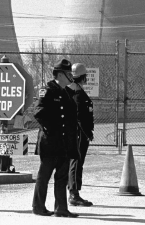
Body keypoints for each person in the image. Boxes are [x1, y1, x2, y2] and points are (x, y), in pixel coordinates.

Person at [31, 59, 80, 218]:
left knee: (62, 176)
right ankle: (38, 206)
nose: (70, 77)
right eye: (68, 74)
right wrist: (52, 130)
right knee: (44, 175)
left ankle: (61, 208)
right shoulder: (48, 90)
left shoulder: (66, 92)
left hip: (64, 143)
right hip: (50, 142)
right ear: (60, 74)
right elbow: (39, 112)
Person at [67, 63, 94, 207]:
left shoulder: (72, 90)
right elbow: (79, 117)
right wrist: (87, 132)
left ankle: (73, 191)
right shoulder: (77, 93)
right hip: (78, 133)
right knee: (76, 162)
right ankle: (74, 194)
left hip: (76, 132)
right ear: (83, 77)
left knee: (74, 162)